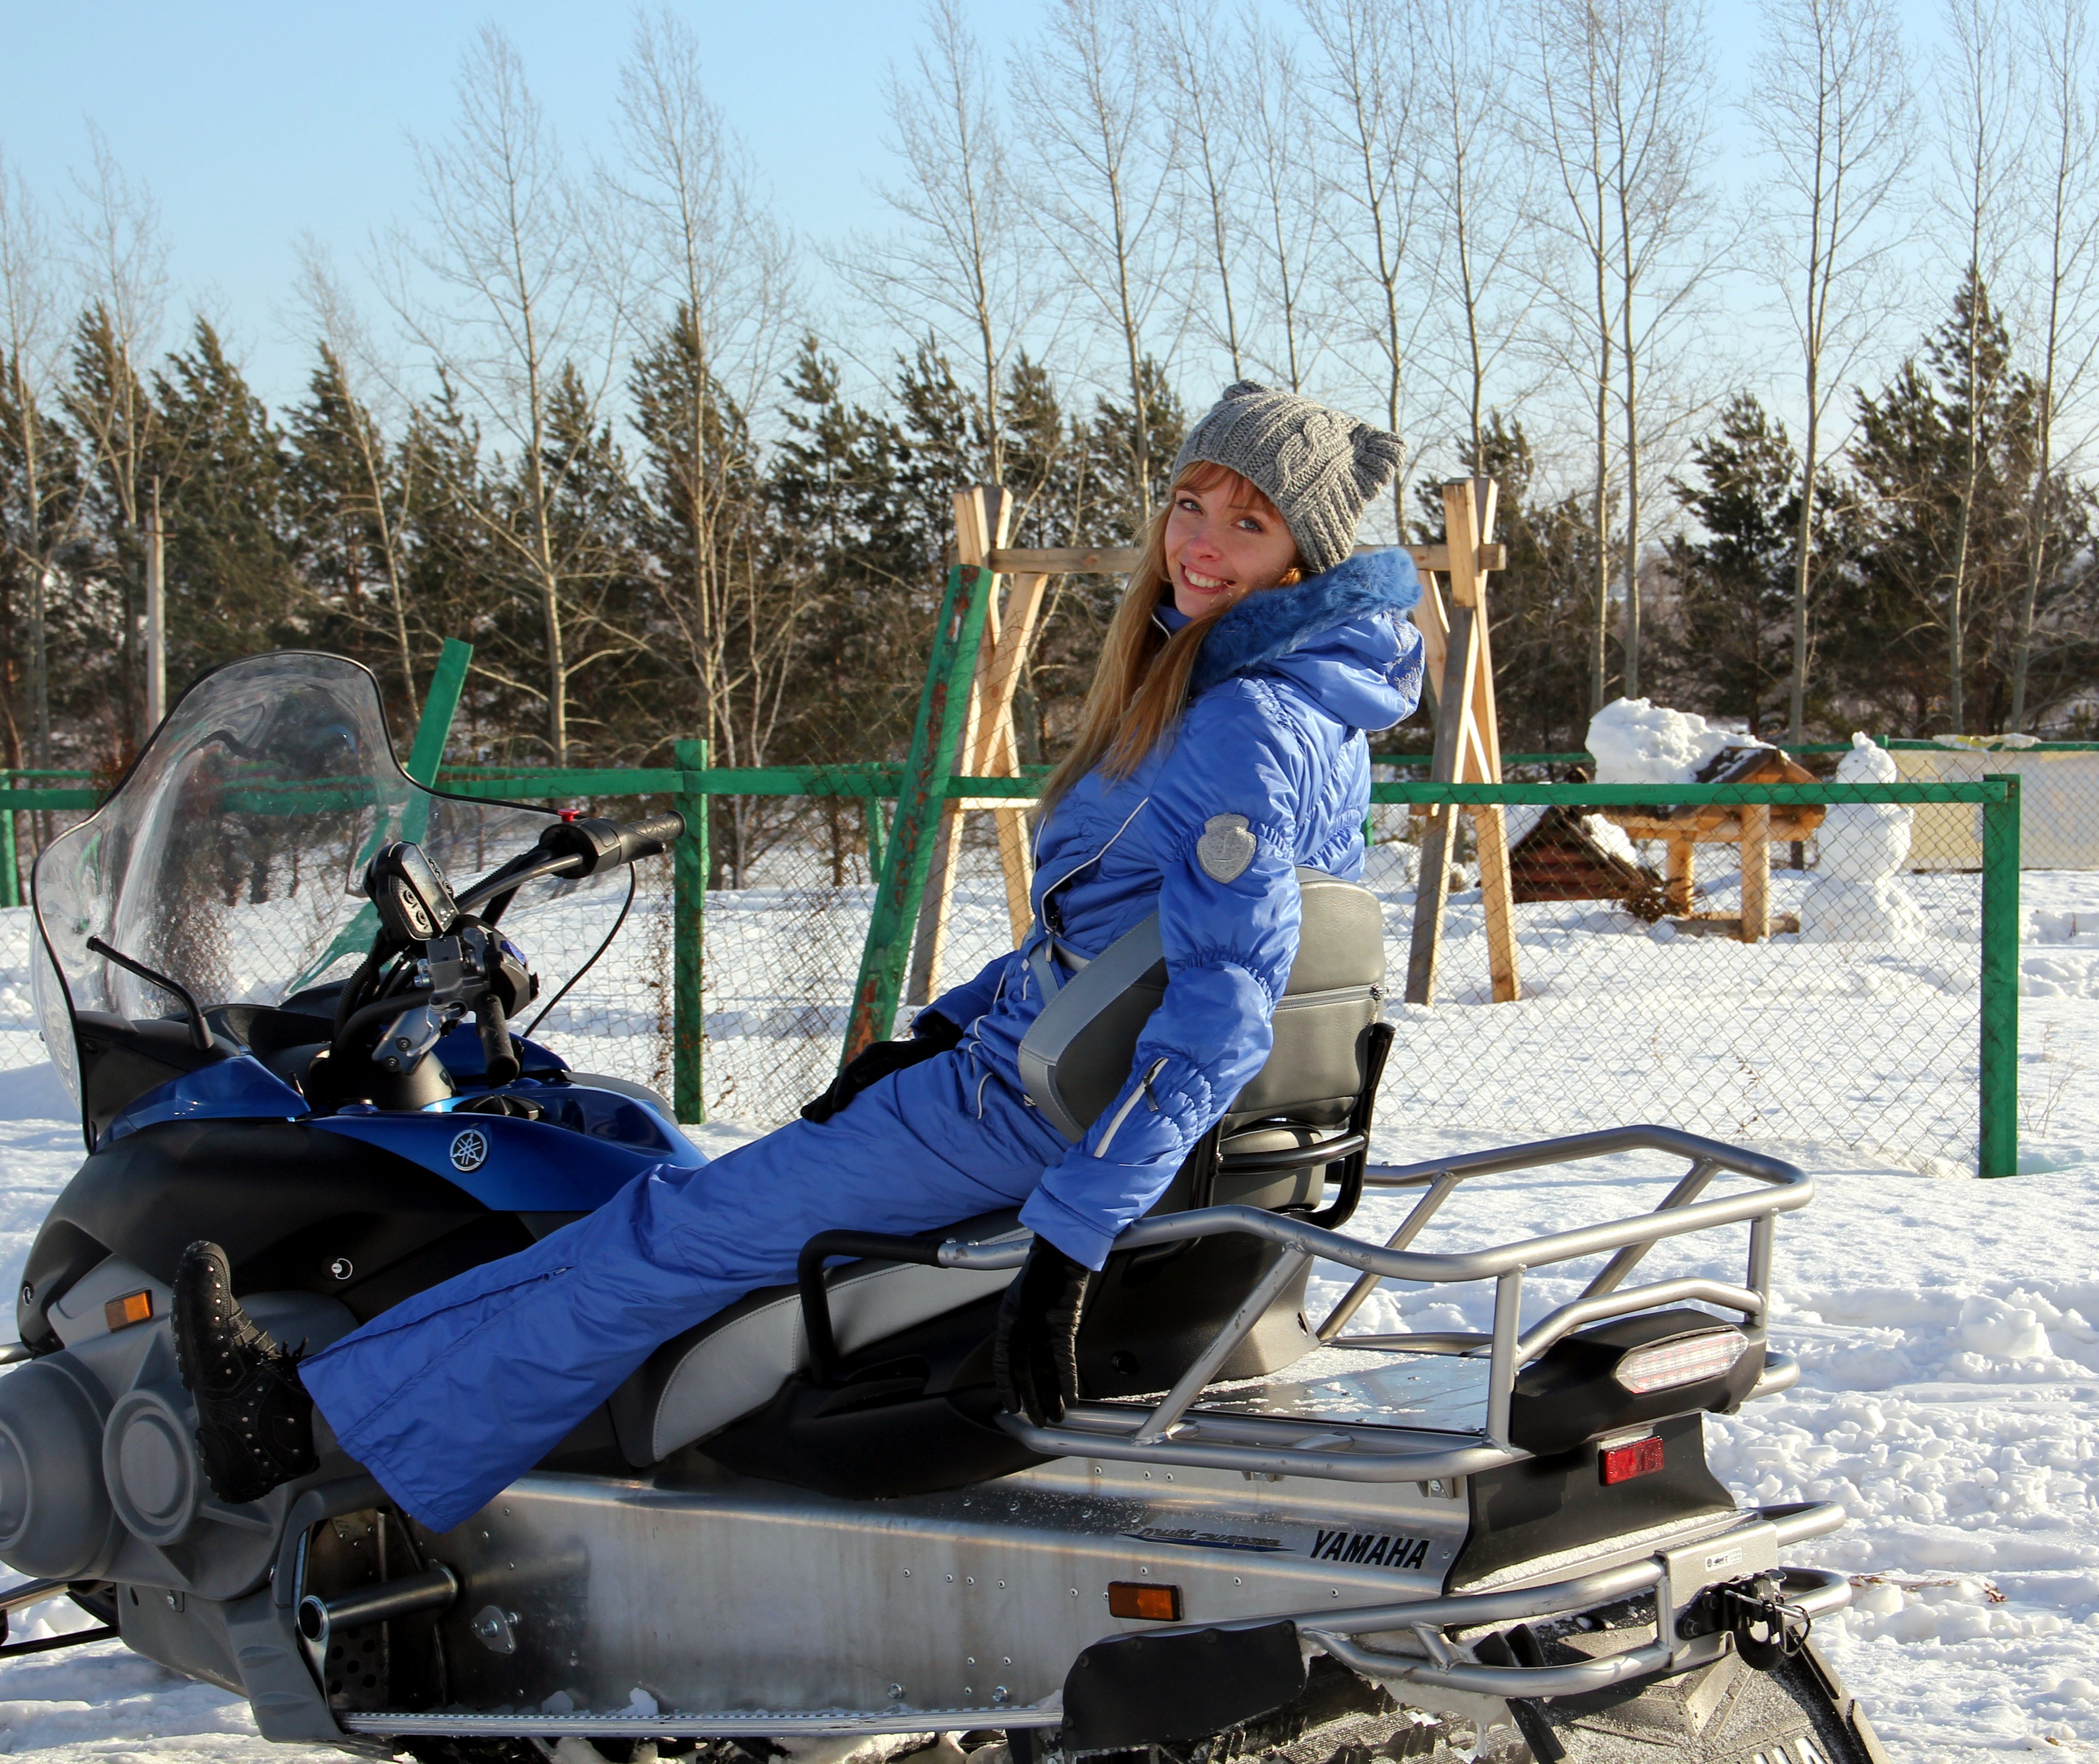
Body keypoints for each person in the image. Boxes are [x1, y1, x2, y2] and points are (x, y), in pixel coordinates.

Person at [173, 381, 1426, 1534]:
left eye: (1248, 525)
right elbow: (1109, 945)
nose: (1200, 544)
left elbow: (1220, 1010)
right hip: (1039, 1079)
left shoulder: (1237, 722)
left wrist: (1072, 1238)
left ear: (1303, 558)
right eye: (1190, 504)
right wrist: (933, 1031)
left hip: (1025, 1113)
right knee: (692, 1216)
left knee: (666, 1229)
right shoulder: (1311, 711)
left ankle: (303, 1421)